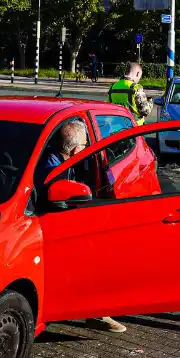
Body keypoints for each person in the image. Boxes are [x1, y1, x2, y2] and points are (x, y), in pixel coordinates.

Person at [36, 120, 128, 334]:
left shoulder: (54, 158)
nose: (88, 148)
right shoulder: (54, 170)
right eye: (86, 145)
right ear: (77, 150)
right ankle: (96, 313)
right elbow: (59, 205)